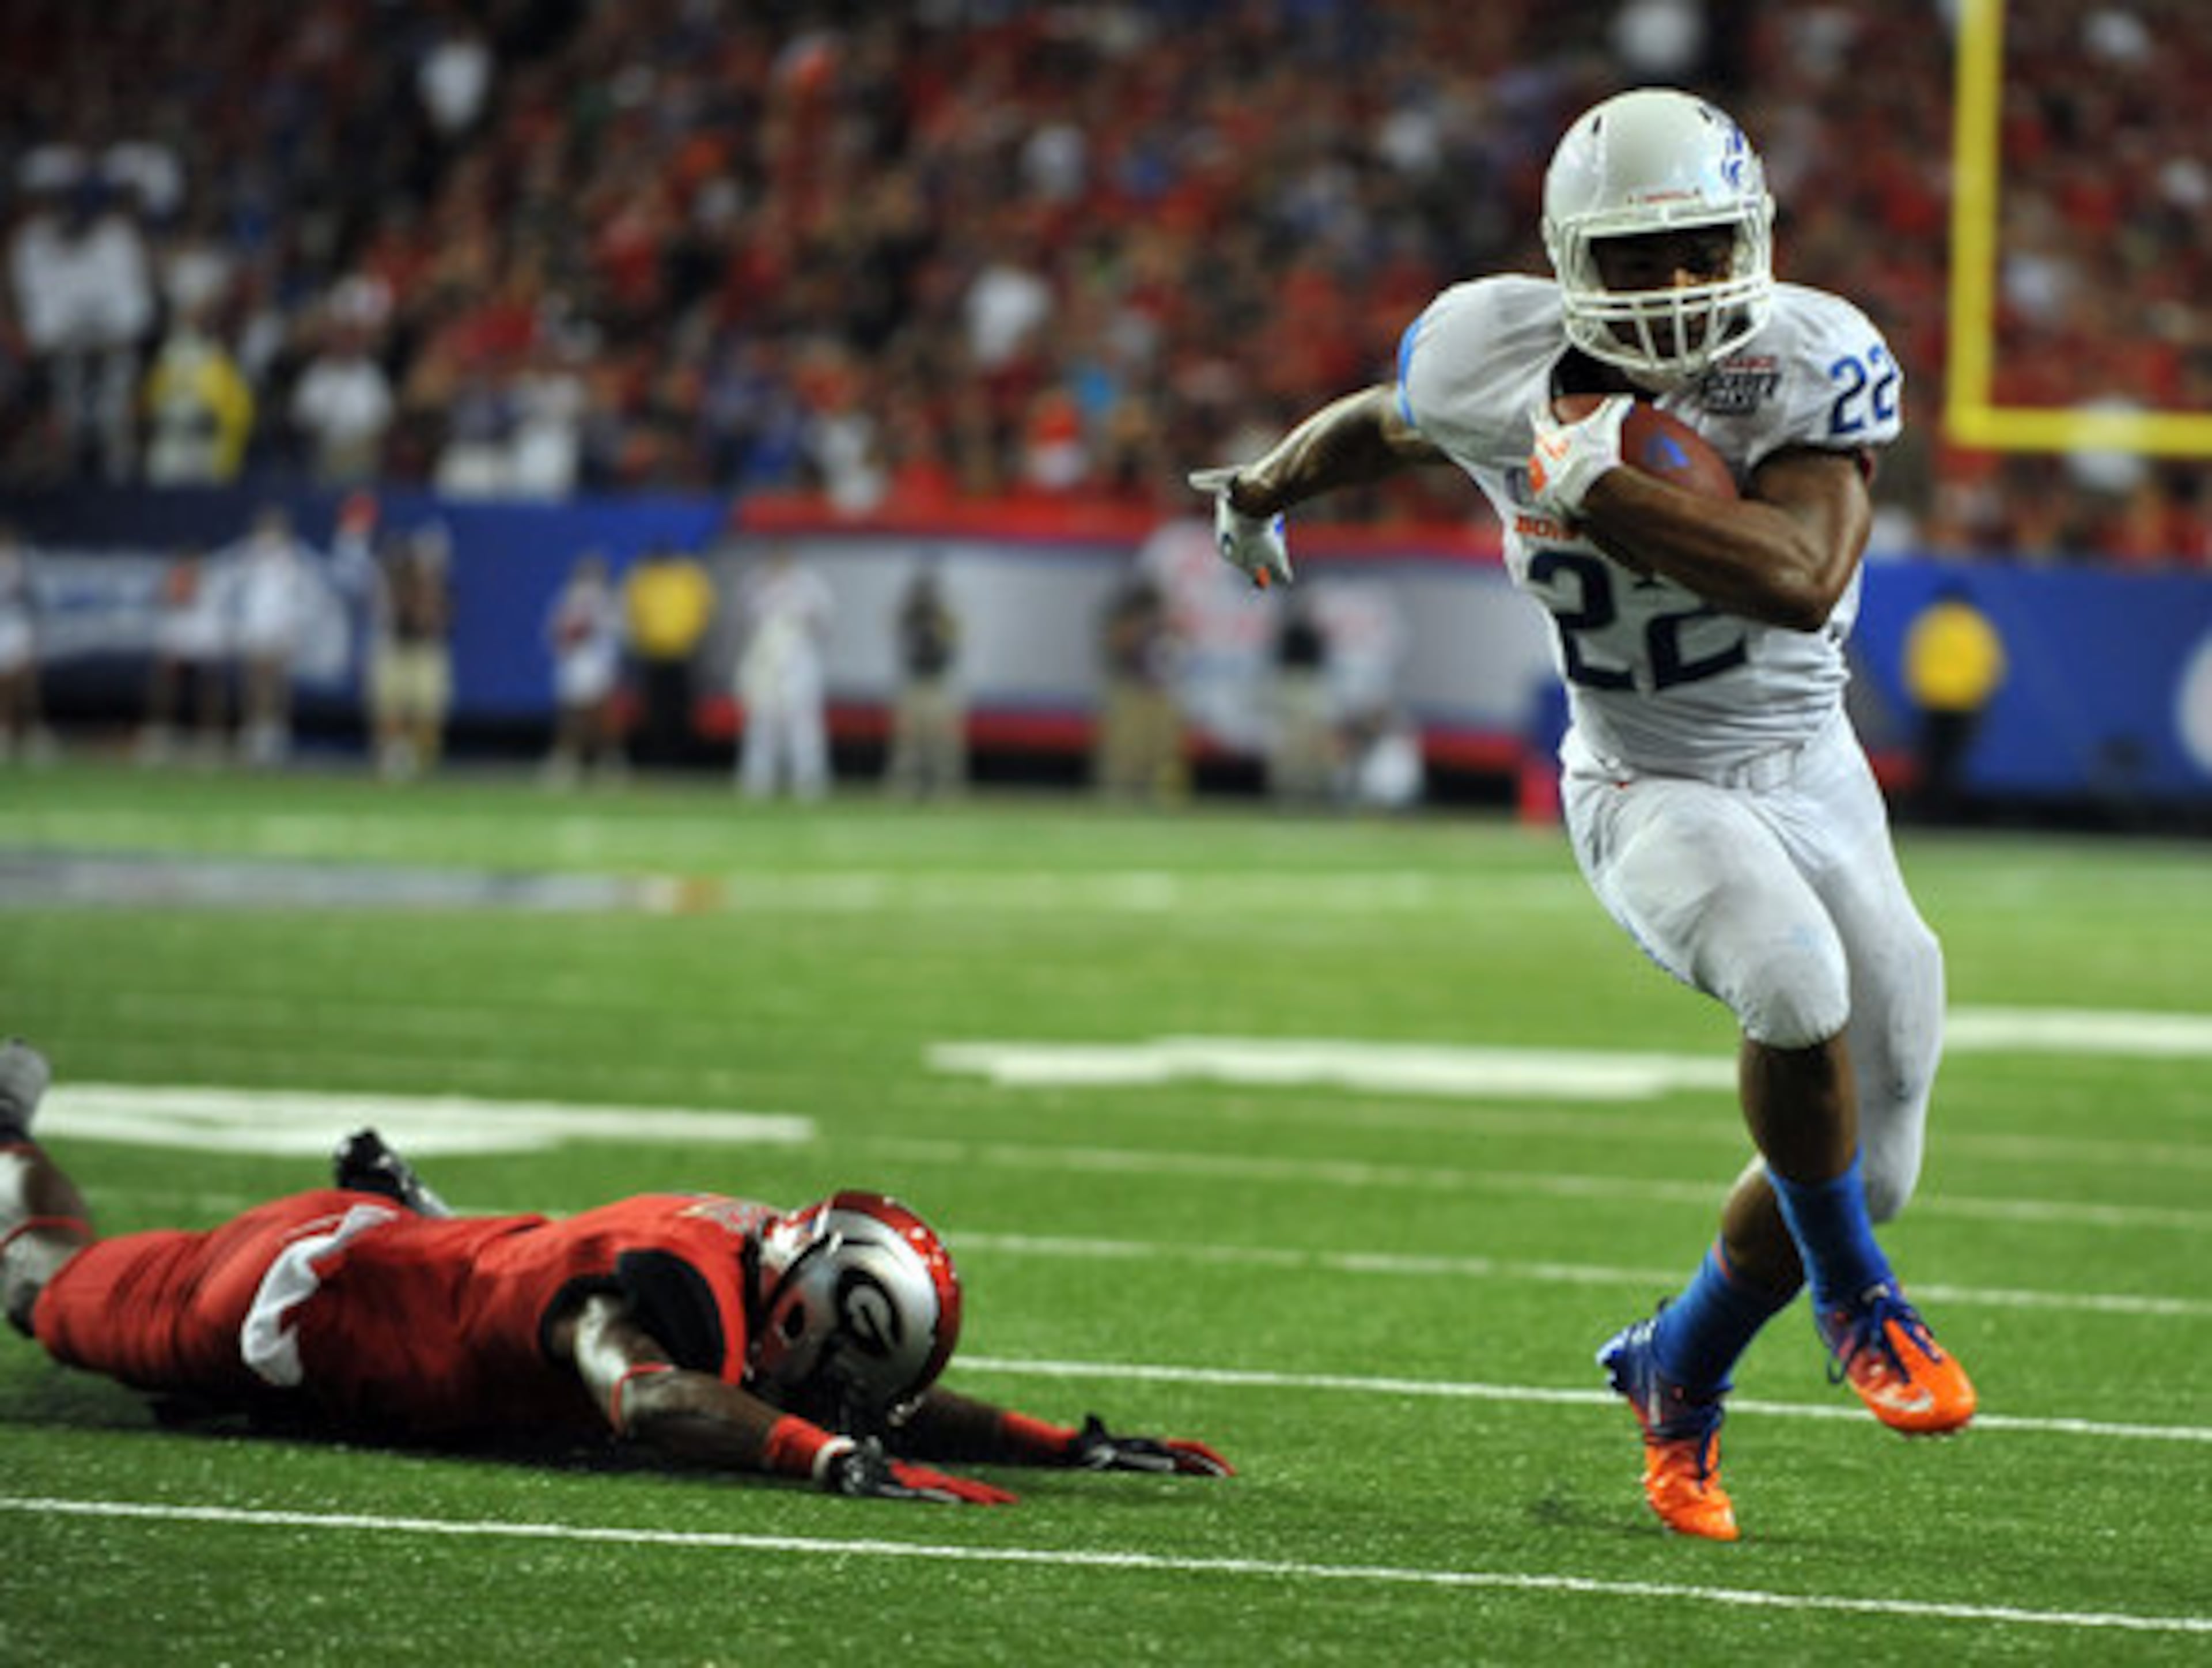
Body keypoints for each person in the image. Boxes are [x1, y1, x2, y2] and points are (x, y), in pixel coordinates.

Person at [1189, 88, 1972, 1542]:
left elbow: (1799, 577)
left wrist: (1597, 488)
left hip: (1809, 766)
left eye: (1700, 248)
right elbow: (1390, 424)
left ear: (1750, 238)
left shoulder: (1806, 358)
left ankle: (1676, 1363)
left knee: (1880, 1152)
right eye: (1636, 256)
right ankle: (1857, 1299)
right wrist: (1261, 490)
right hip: (1642, 778)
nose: (1676, 284)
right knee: (1791, 981)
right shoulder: (1491, 353)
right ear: (1567, 259)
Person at [0, 1041, 1229, 1504]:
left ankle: (415, 1208)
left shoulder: (764, 1266)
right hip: (290, 1299)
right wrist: (827, 1461)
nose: (844, 1402)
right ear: (803, 1309)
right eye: (838, 1373)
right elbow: (644, 1395)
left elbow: (874, 1400)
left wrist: (1057, 1442)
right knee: (41, 1289)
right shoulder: (667, 1292)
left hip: (426, 1282)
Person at [733, 545, 835, 800]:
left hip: (798, 656)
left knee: (802, 723)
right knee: (761, 721)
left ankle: (808, 783)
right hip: (764, 656)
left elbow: (825, 622)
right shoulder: (755, 582)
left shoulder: (808, 583)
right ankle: (757, 782)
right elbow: (744, 622)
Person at [1901, 580, 2006, 823]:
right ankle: (1947, 812)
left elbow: (1915, 660)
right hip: (1964, 703)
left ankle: (1925, 811)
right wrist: (1979, 695)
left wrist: (1920, 690)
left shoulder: (1930, 623)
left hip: (1933, 700)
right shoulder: (1976, 626)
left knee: (1930, 760)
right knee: (1954, 761)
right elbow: (1990, 665)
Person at [1093, 572, 1185, 805]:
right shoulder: (1126, 619)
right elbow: (1116, 647)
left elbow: (1175, 653)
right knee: (1125, 754)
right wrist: (1138, 629)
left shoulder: (1163, 624)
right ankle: (1117, 799)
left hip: (1159, 691)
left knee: (1163, 754)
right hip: (1131, 689)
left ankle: (1163, 800)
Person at [622, 544, 717, 769]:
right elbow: (633, 612)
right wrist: (642, 637)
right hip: (653, 652)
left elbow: (702, 609)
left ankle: (681, 755)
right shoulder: (644, 578)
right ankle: (658, 755)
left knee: (680, 707)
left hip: (681, 652)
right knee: (655, 708)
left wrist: (690, 637)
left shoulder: (686, 578)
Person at [541, 551, 628, 788]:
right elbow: (555, 634)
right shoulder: (567, 600)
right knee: (570, 718)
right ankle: (566, 762)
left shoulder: (609, 601)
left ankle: (609, 764)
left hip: (598, 666)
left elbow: (618, 634)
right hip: (573, 666)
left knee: (602, 718)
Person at [884, 560, 966, 799]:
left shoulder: (944, 616)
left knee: (942, 741)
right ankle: (905, 786)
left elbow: (955, 639)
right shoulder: (910, 615)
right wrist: (913, 615)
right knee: (908, 742)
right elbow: (894, 629)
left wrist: (938, 623)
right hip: (914, 681)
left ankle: (945, 788)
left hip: (938, 682)